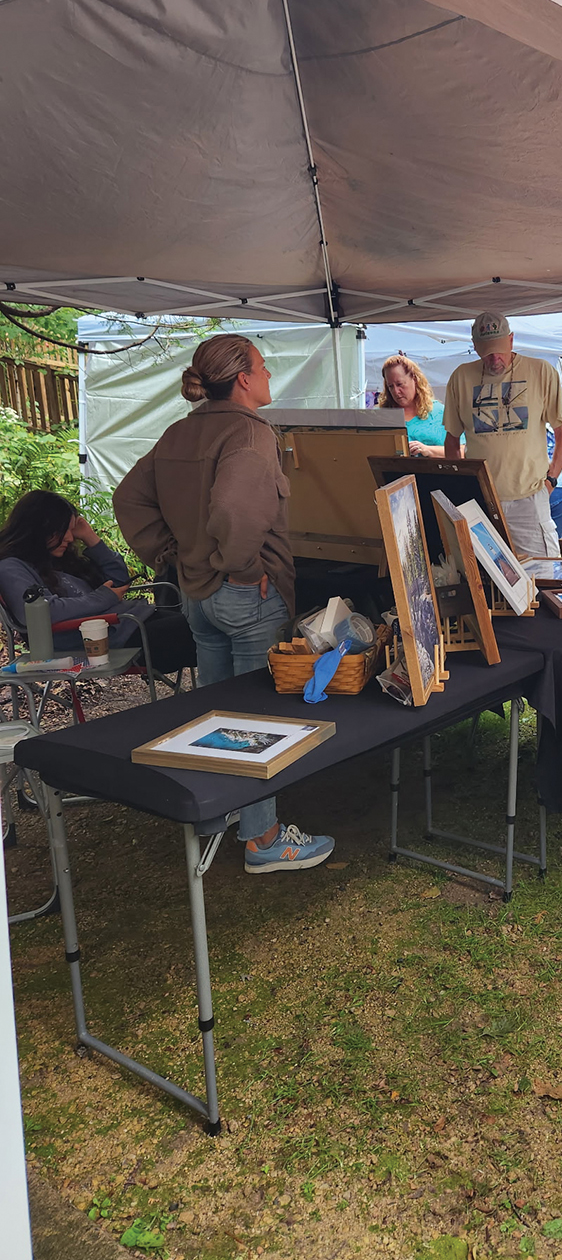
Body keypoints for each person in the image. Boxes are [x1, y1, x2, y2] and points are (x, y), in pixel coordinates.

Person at [113, 334, 334, 874]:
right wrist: (244, 568)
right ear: (241, 379)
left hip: (198, 595)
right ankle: (262, 840)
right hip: (244, 592)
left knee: (213, 713)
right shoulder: (250, 433)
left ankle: (220, 813)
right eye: (262, 366)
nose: (267, 374)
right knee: (258, 716)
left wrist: (172, 554)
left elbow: (128, 498)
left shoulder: (179, 432)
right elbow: (235, 509)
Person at [0, 490, 195, 673]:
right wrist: (103, 598)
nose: (69, 538)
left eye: (71, 530)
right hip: (108, 640)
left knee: (205, 625)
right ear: (39, 529)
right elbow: (42, 611)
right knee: (206, 634)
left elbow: (119, 581)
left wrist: (89, 537)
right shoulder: (11, 567)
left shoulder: (54, 558)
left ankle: (215, 697)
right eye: (62, 531)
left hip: (133, 622)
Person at [442, 313, 562, 557]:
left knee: (545, 573)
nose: (495, 358)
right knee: (487, 578)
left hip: (529, 497)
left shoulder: (541, 372)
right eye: (487, 351)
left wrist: (551, 480)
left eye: (499, 349)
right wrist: (459, 485)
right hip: (480, 499)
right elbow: (452, 439)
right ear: (475, 347)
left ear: (511, 340)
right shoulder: (461, 377)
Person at [378, 354, 456, 457]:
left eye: (400, 384)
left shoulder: (439, 412)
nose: (396, 391)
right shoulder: (381, 416)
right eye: (390, 386)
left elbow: (462, 451)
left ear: (414, 379)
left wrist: (428, 450)